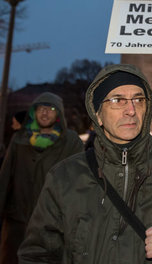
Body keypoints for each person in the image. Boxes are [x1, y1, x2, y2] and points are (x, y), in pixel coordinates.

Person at [18, 64, 152, 263]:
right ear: (98, 114)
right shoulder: (64, 176)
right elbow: (37, 253)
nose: (131, 110)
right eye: (118, 100)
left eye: (139, 99)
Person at [0, 92, 84, 264]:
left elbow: (80, 183)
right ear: (33, 112)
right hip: (17, 223)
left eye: (51, 109)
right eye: (40, 109)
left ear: (59, 113)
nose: (45, 113)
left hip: (54, 227)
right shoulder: (19, 139)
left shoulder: (71, 142)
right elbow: (4, 178)